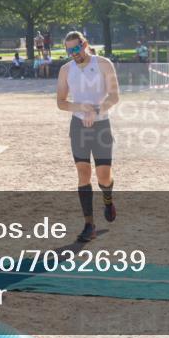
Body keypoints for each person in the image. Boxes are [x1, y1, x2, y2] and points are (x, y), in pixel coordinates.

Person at [56, 31, 121, 242]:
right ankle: (89, 225)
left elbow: (114, 95)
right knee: (83, 173)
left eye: (76, 48)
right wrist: (81, 108)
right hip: (78, 126)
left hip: (101, 125)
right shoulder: (66, 70)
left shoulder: (103, 64)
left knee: (103, 176)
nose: (74, 53)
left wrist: (96, 110)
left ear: (85, 44)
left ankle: (108, 199)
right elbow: (61, 102)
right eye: (69, 50)